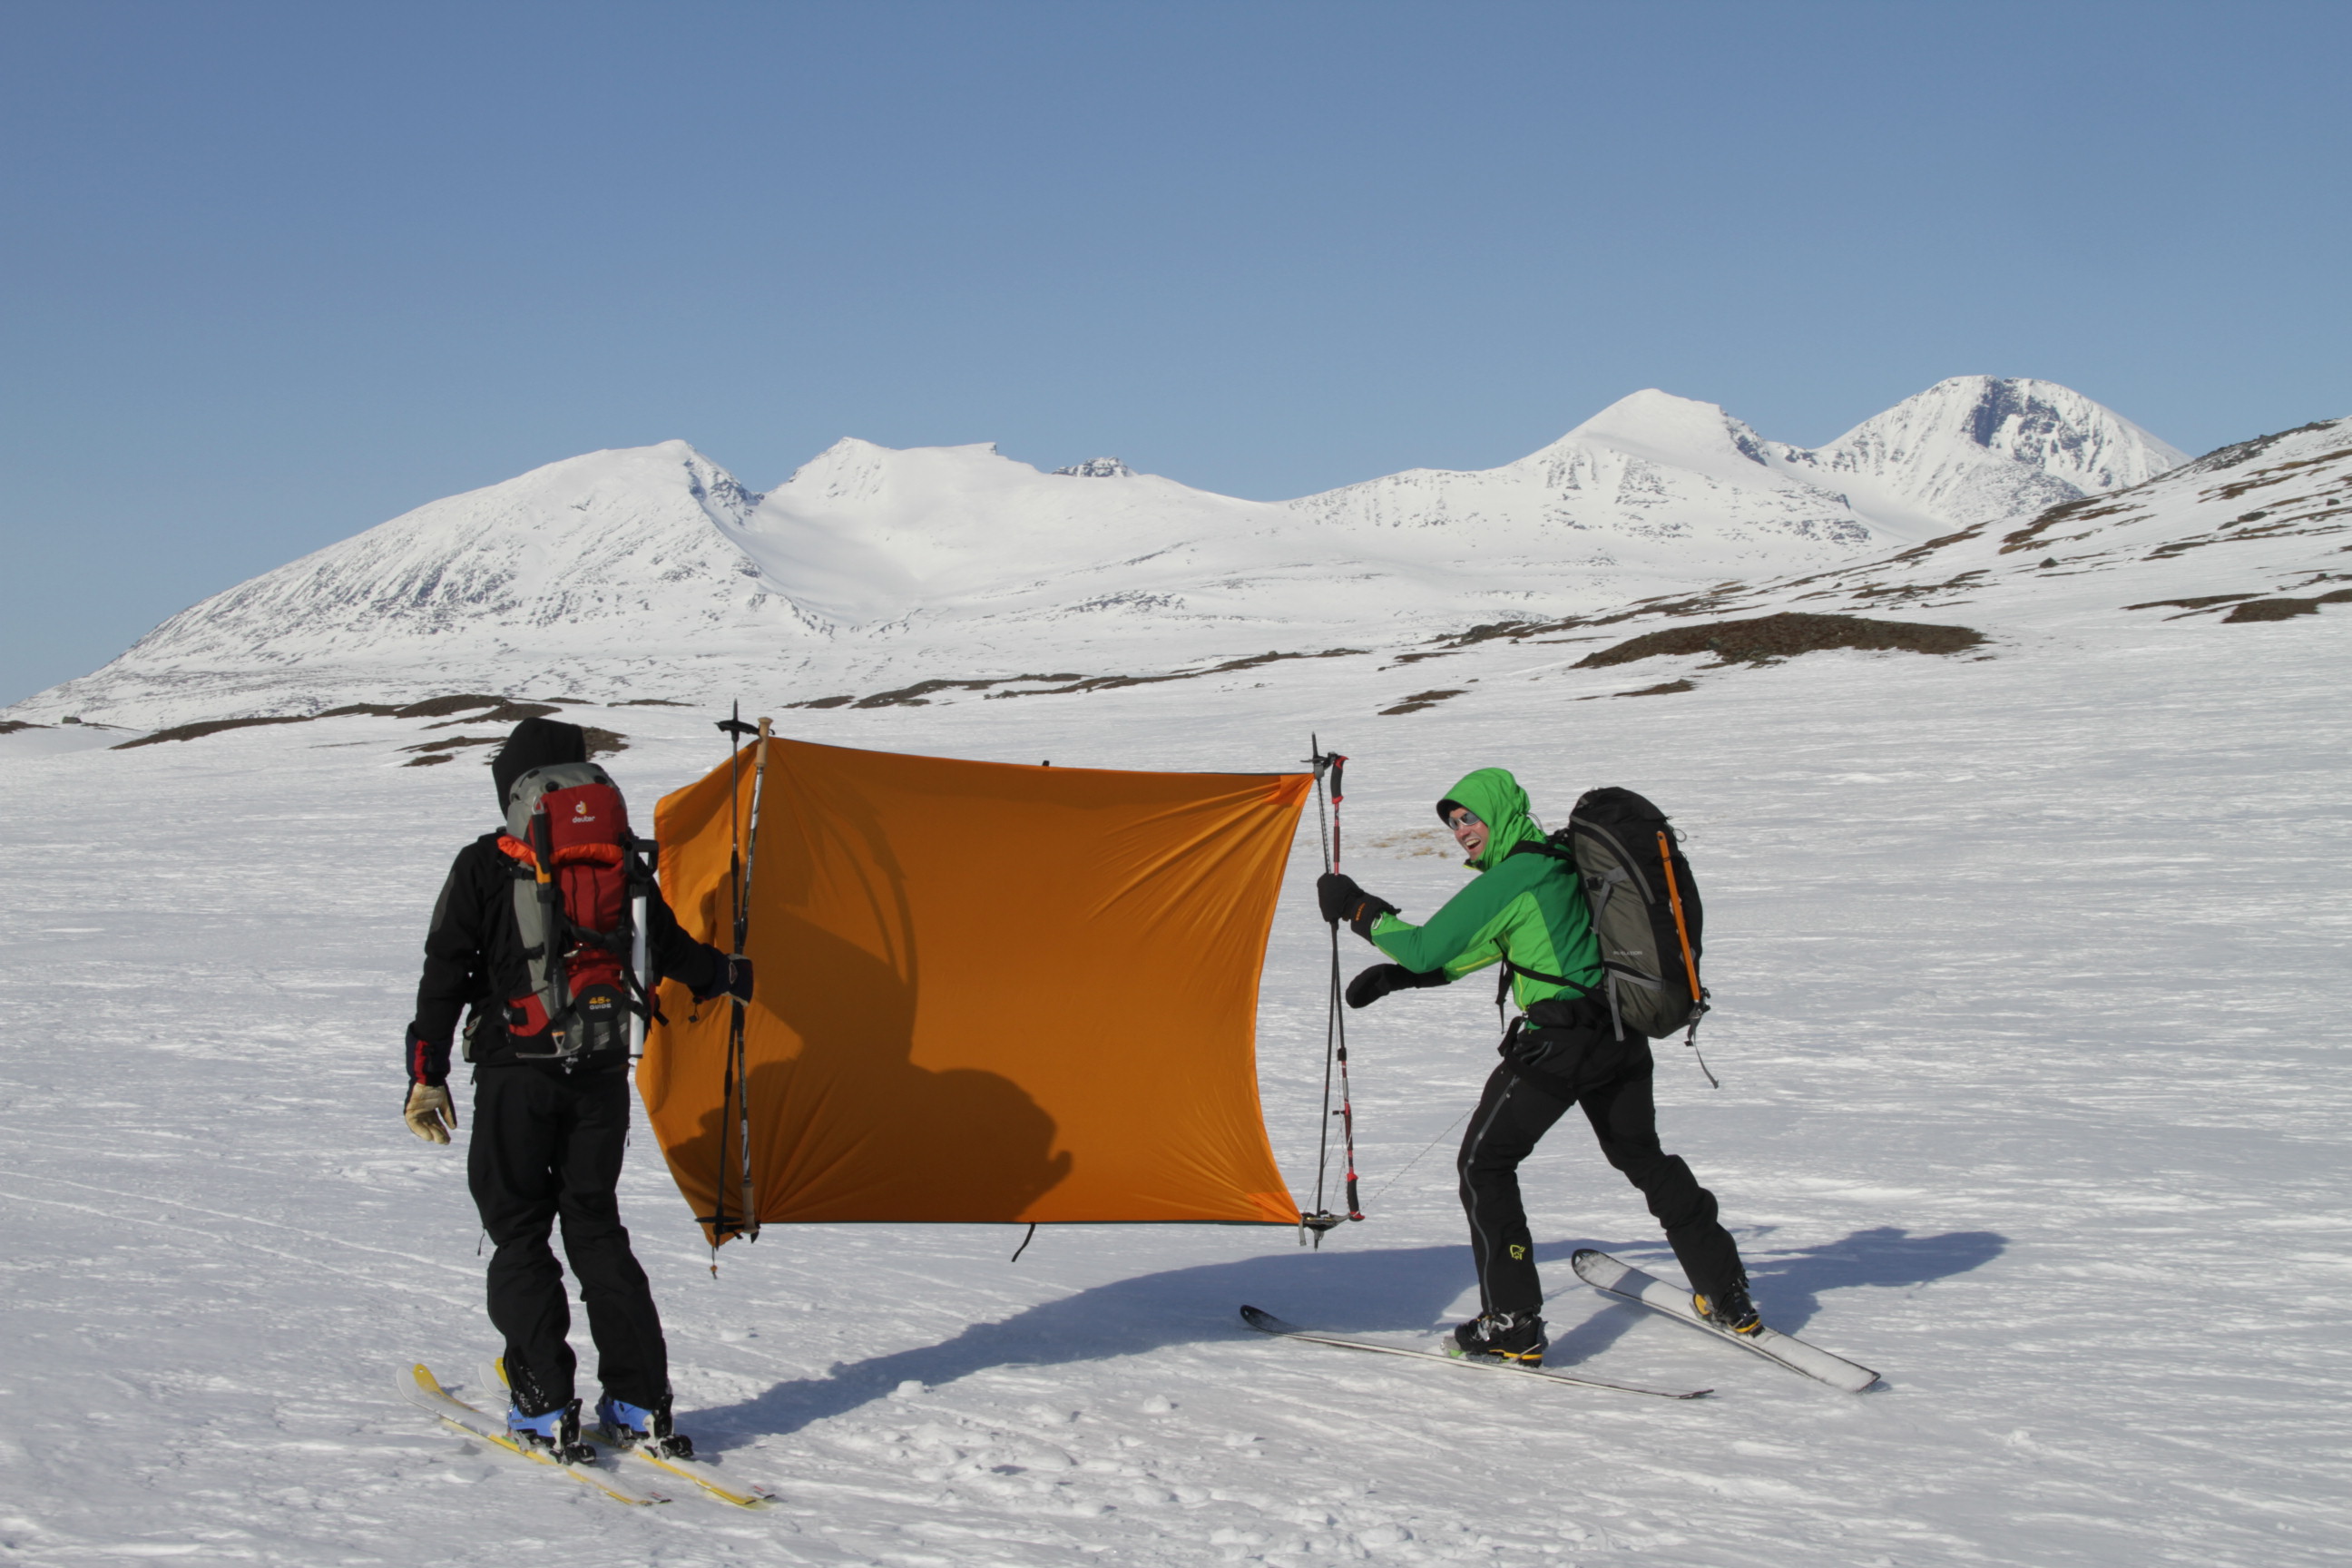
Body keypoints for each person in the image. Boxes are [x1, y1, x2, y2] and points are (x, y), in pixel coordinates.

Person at [1317, 766, 1755, 1367]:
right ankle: (1725, 1287)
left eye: (1470, 816)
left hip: (1559, 1046)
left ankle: (1513, 1320)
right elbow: (1502, 944)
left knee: (1484, 1165)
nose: (1461, 830)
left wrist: (1357, 908)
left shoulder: (1518, 873)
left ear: (1500, 811)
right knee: (1644, 1159)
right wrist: (1403, 979)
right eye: (1452, 822)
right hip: (1618, 1036)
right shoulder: (1554, 861)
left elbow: (1427, 945)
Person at [399, 717, 751, 1457]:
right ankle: (639, 1401)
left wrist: (426, 1074)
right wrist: (725, 974)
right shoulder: (619, 858)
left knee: (520, 1232)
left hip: (514, 1075)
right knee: (594, 1227)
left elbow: (444, 975)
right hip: (599, 1071)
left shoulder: (486, 864)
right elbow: (674, 951)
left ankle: (544, 1403)